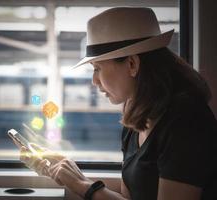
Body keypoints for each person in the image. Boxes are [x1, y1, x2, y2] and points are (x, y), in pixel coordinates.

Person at [19, 7, 217, 200]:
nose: (94, 81)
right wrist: (72, 172)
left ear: (132, 64)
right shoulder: (137, 118)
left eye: (97, 68)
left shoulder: (186, 122)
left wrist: (83, 186)